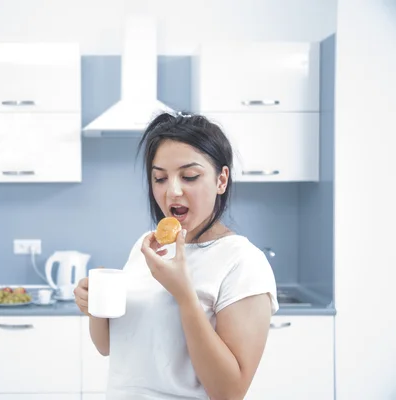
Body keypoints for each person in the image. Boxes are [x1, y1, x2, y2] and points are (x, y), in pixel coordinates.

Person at [74, 112, 279, 400]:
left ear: (221, 180)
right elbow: (109, 346)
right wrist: (96, 305)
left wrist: (184, 295)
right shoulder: (146, 246)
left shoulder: (243, 262)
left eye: (189, 176)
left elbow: (229, 392)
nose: (172, 191)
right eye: (159, 178)